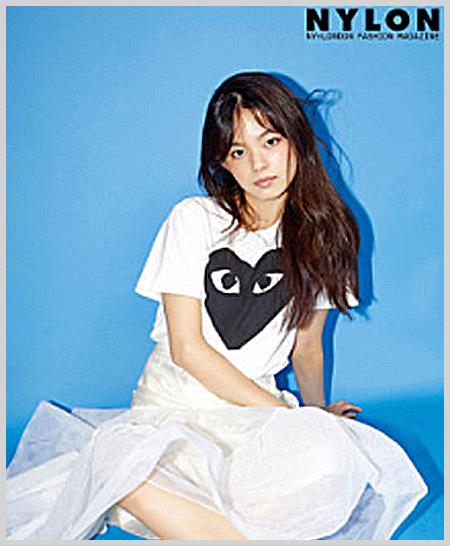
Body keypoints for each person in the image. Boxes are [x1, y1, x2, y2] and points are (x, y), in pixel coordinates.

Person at [6, 72, 427, 540]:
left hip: (255, 415)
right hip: (173, 407)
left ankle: (180, 515)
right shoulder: (195, 219)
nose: (259, 164)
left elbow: (307, 347)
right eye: (238, 152)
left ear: (297, 140)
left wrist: (315, 417)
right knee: (131, 467)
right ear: (223, 162)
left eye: (271, 141)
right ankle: (165, 500)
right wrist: (288, 415)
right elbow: (187, 349)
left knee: (335, 467)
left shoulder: (324, 241)